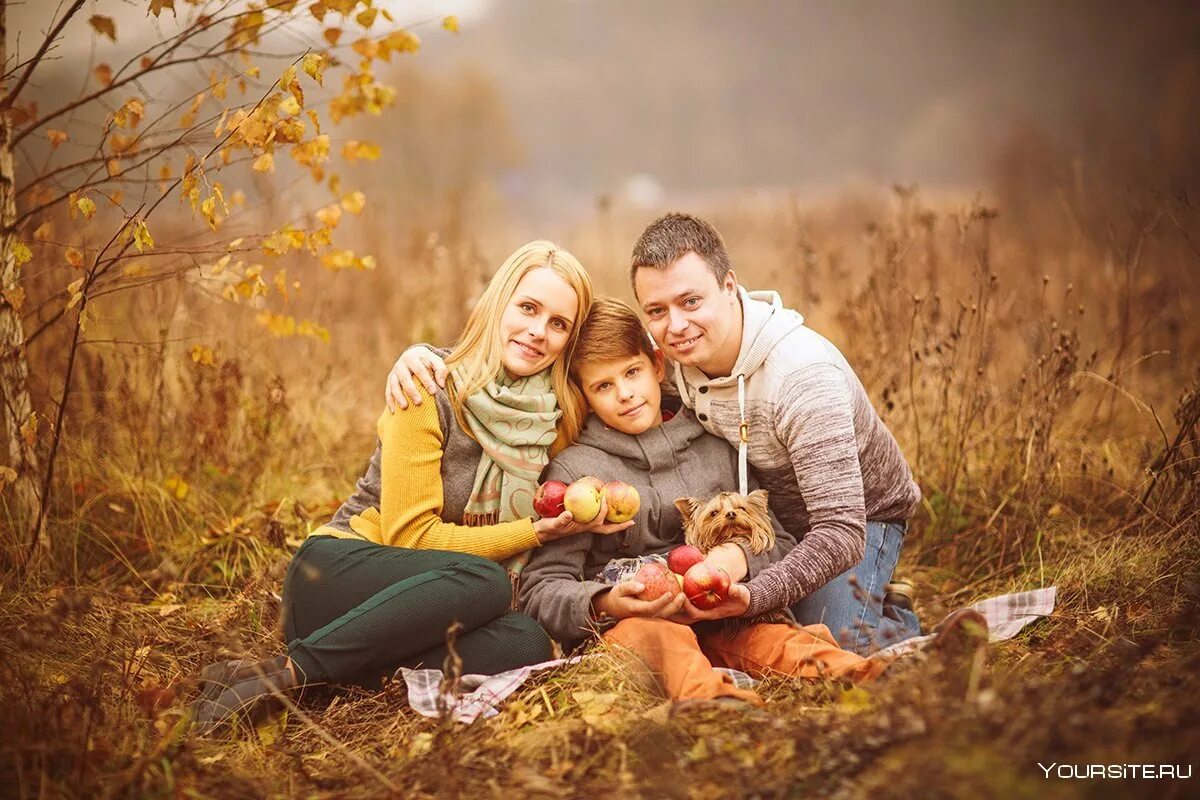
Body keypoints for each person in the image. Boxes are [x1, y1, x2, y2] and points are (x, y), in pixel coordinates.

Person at [385, 214, 924, 655]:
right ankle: (862, 603)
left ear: (729, 287)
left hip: (852, 519)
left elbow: (839, 529)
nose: (678, 324)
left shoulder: (802, 380)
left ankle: (885, 613)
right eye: (658, 311)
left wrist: (752, 592)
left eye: (692, 301)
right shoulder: (673, 368)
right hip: (766, 527)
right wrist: (425, 357)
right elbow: (572, 374)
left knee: (836, 638)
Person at [192, 241, 633, 734]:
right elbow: (412, 539)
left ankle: (329, 672)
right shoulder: (425, 387)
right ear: (498, 303)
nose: (538, 331)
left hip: (427, 608)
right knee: (485, 581)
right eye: (528, 308)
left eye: (558, 323)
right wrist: (534, 532)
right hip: (339, 576)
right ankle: (281, 676)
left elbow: (638, 386)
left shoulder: (558, 417)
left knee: (527, 640)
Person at [519, 298, 899, 706]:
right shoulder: (577, 471)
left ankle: (876, 679)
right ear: (585, 395)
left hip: (724, 615)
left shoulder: (715, 444)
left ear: (657, 365)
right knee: (661, 639)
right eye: (603, 386)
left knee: (778, 643)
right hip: (636, 624)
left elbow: (780, 541)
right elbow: (541, 588)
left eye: (632, 372)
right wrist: (606, 601)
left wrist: (740, 558)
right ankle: (713, 706)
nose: (625, 394)